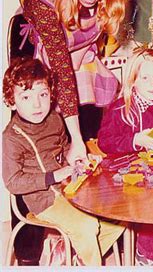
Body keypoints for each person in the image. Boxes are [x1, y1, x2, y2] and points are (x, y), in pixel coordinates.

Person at [2, 57, 125, 266]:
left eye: (43, 94)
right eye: (26, 97)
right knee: (87, 227)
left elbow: (64, 149)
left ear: (51, 94)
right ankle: (89, 260)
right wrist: (53, 176)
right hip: (44, 201)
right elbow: (13, 182)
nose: (37, 104)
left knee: (120, 215)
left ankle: (77, 257)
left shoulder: (54, 119)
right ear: (11, 101)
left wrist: (81, 159)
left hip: (69, 188)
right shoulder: (12, 137)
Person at [18, 0, 128, 163]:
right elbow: (61, 70)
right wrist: (76, 140)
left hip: (76, 50)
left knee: (90, 109)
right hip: (39, 51)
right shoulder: (44, 1)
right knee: (53, 124)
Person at [97, 48, 153, 265]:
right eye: (145, 77)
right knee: (151, 205)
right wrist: (135, 140)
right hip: (126, 173)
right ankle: (148, 255)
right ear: (133, 80)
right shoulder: (120, 109)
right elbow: (105, 142)